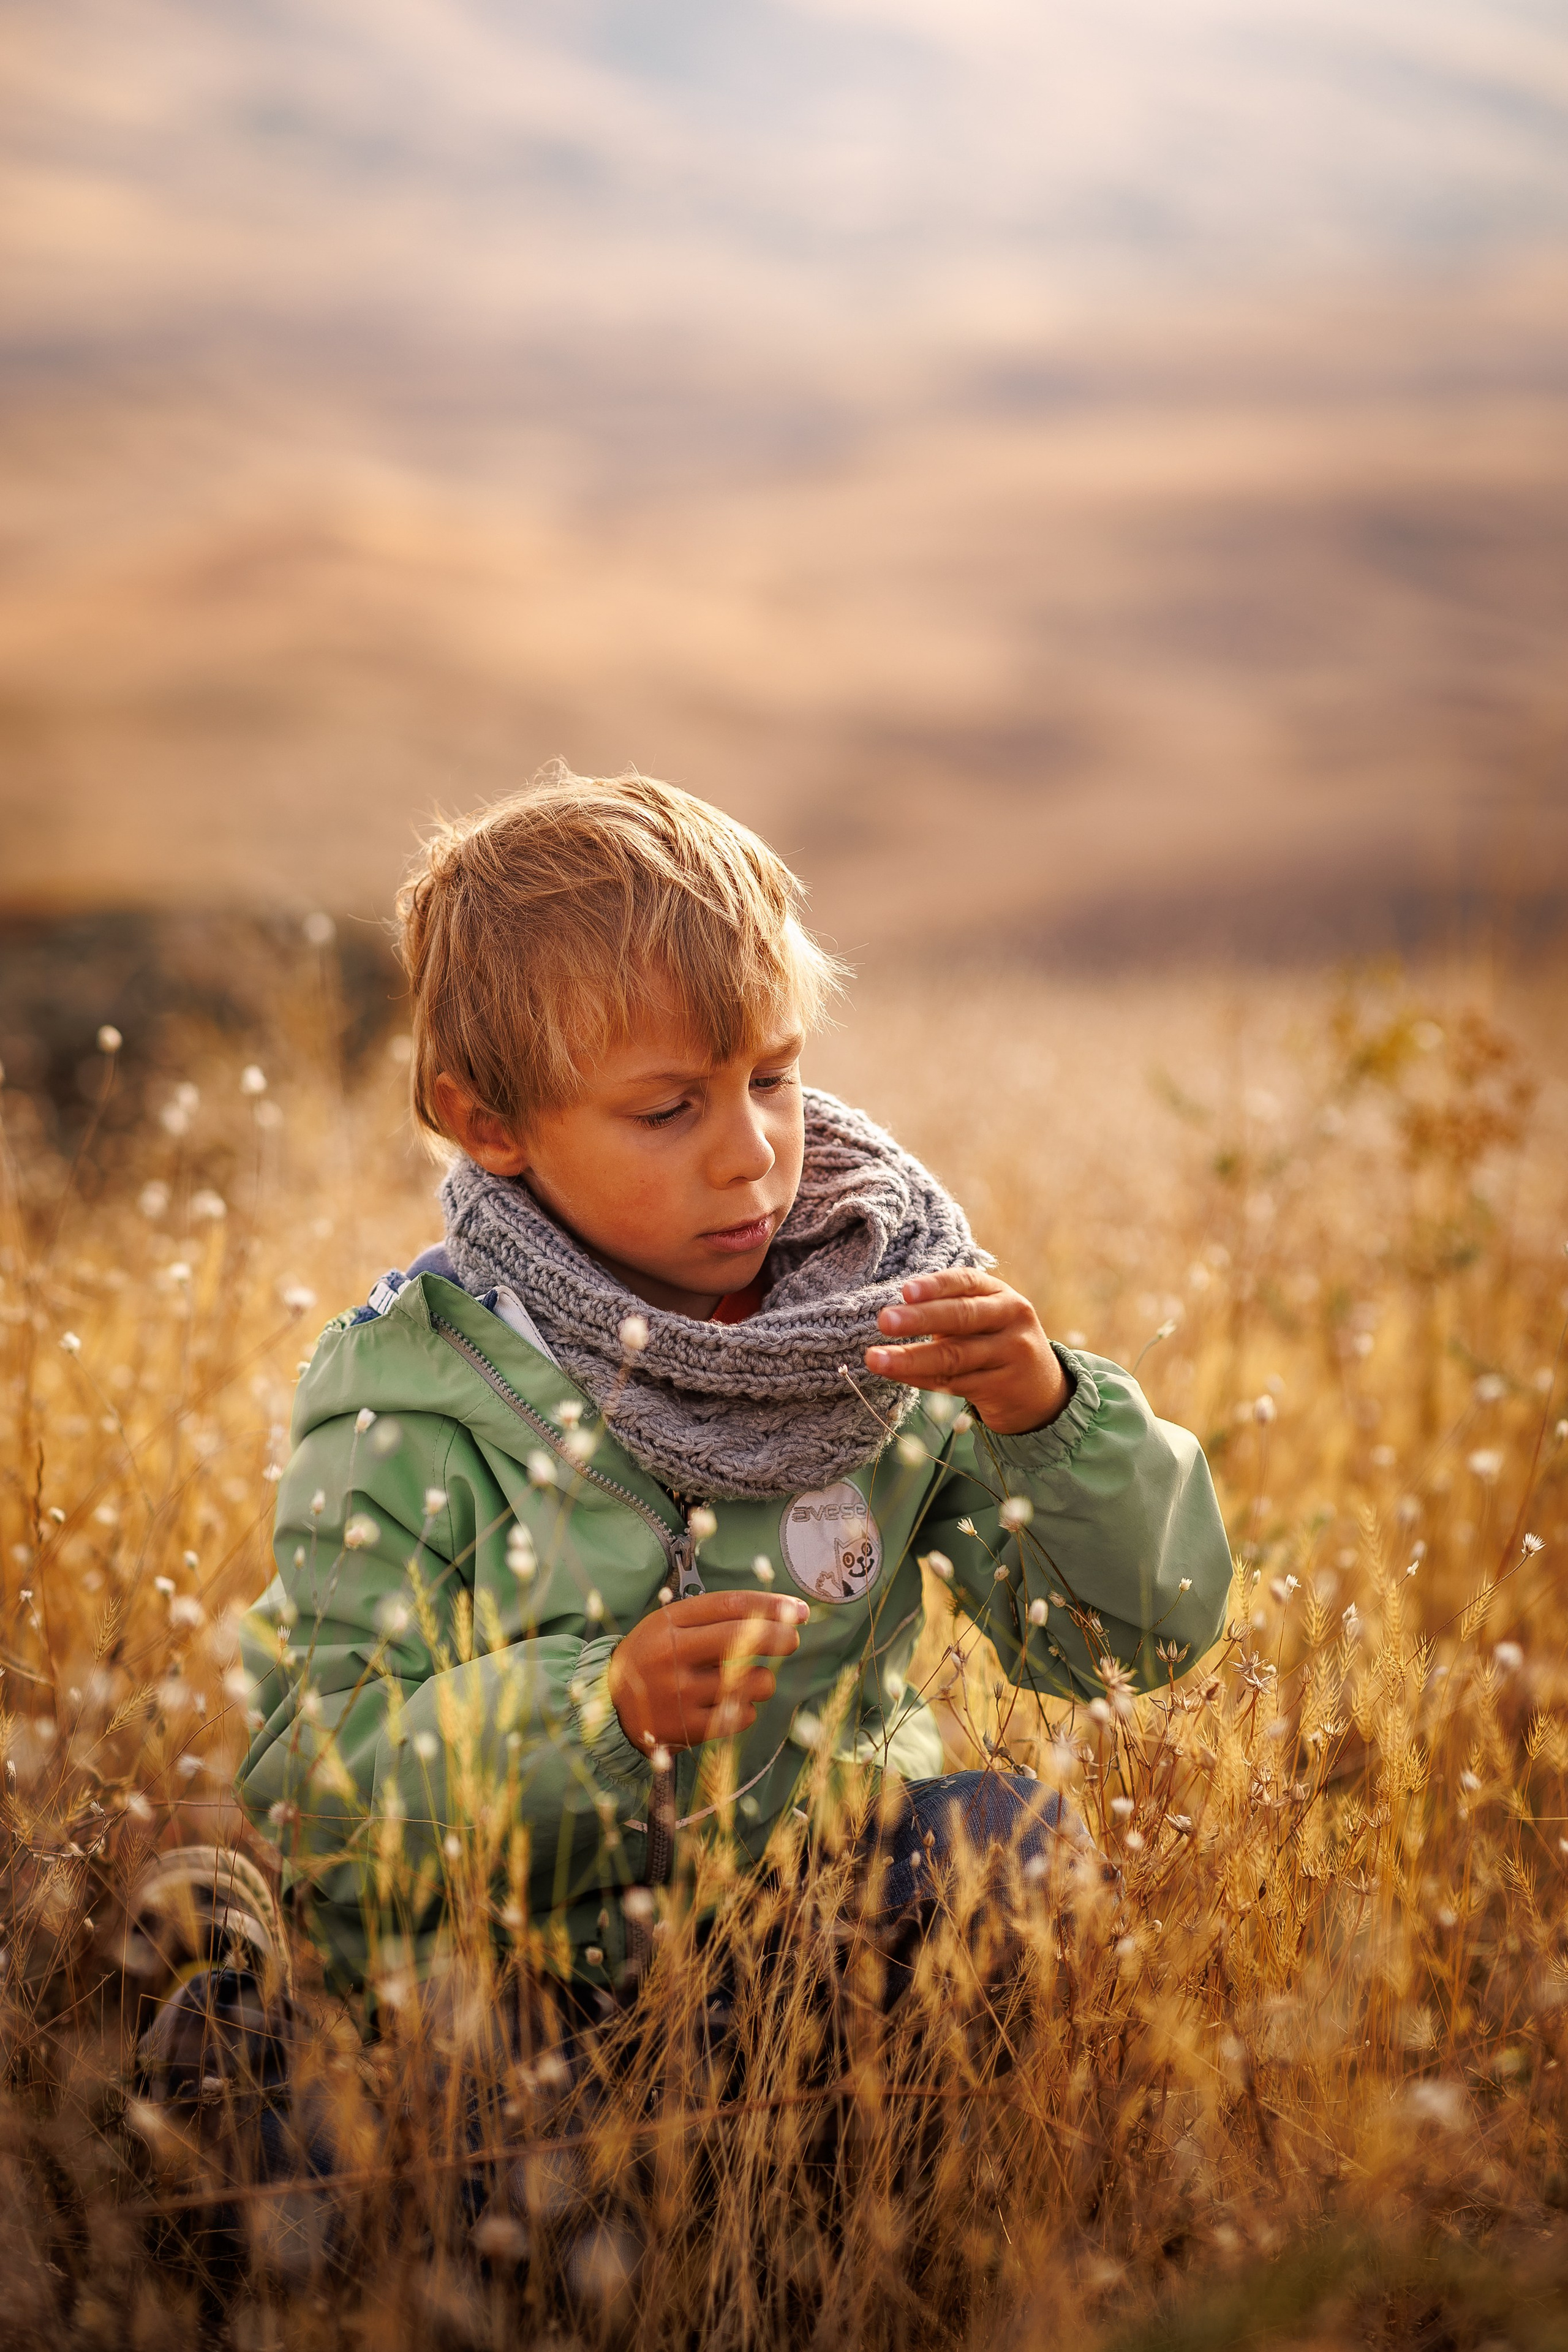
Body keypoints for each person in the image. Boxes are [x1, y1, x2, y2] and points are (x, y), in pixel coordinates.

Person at [233, 770, 1232, 2001]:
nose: (749, 1151)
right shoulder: (416, 1391)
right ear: (488, 1124)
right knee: (360, 2118)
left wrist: (1045, 1420)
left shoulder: (877, 1317)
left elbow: (1126, 1648)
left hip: (808, 1954)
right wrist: (598, 1713)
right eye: (666, 1109)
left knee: (996, 1849)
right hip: (523, 1994)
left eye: (771, 1077)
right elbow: (312, 1786)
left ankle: (854, 2175)